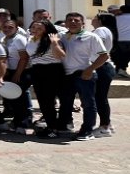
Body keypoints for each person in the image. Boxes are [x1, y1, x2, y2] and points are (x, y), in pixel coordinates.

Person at [58, 12, 109, 141]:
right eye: (70, 20)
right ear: (66, 23)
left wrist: (90, 69)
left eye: (76, 20)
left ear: (83, 23)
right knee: (65, 102)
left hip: (84, 74)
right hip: (66, 75)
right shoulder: (62, 36)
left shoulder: (91, 37)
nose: (73, 22)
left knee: (88, 103)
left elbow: (104, 56)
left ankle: (87, 130)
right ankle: (65, 125)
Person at [26, 20, 66, 139]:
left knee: (48, 101)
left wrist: (54, 43)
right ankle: (50, 126)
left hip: (52, 70)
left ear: (46, 29)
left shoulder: (53, 39)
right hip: (37, 70)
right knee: (42, 101)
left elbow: (61, 55)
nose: (35, 30)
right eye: (33, 27)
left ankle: (53, 129)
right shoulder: (30, 39)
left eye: (39, 28)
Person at [0, 20, 31, 133]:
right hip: (10, 71)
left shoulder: (19, 39)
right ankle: (17, 121)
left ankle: (23, 123)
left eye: (10, 27)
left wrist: (17, 74)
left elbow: (24, 58)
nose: (7, 29)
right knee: (14, 99)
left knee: (20, 99)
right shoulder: (4, 39)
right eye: (5, 27)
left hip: (21, 72)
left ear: (17, 28)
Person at [91, 13, 117, 136]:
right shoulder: (105, 30)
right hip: (105, 66)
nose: (93, 19)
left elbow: (96, 47)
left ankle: (104, 126)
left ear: (101, 20)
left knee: (100, 98)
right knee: (101, 98)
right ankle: (107, 124)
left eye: (95, 17)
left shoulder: (100, 30)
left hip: (101, 66)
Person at [115, 5, 130, 78]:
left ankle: (120, 69)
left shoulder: (116, 18)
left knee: (122, 55)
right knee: (126, 56)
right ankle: (122, 69)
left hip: (120, 39)